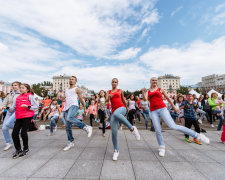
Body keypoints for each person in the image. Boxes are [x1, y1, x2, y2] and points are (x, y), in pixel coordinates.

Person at [142, 77, 210, 157]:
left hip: (162, 109)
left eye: (156, 80)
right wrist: (143, 92)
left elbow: (168, 98)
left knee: (173, 126)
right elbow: (145, 99)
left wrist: (174, 107)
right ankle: (162, 147)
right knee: (157, 130)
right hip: (153, 111)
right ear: (150, 81)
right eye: (153, 80)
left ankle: (197, 135)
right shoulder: (148, 91)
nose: (155, 81)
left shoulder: (160, 89)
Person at [106, 78, 140, 161]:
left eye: (115, 82)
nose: (114, 83)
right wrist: (108, 98)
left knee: (116, 114)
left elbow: (123, 100)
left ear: (117, 83)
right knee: (114, 133)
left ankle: (132, 128)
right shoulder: (108, 92)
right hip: (114, 112)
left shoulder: (120, 90)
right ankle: (116, 150)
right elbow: (106, 101)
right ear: (111, 83)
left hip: (122, 108)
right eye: (113, 82)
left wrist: (127, 108)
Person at [62, 76, 92, 151]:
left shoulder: (77, 89)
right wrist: (62, 98)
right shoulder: (66, 90)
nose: (71, 80)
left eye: (72, 79)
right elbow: (65, 98)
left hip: (74, 106)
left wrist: (85, 107)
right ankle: (70, 142)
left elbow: (81, 99)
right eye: (70, 79)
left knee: (69, 118)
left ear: (75, 82)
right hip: (66, 108)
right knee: (67, 126)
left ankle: (86, 127)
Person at [10, 84, 38, 158]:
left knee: (23, 133)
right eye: (20, 88)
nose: (21, 89)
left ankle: (26, 148)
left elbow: (36, 106)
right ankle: (18, 149)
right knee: (14, 133)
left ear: (27, 89)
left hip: (27, 116)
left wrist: (27, 106)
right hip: (19, 116)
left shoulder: (30, 96)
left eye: (23, 88)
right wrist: (7, 108)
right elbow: (14, 107)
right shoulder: (18, 97)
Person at [0, 81, 21, 151]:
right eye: (13, 85)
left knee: (8, 124)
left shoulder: (21, 94)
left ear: (19, 86)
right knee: (4, 128)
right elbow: (4, 103)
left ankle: (20, 131)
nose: (13, 86)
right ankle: (8, 142)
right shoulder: (10, 94)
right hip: (9, 112)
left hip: (16, 111)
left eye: (15, 85)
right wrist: (1, 108)